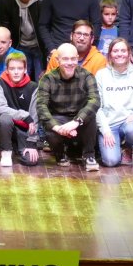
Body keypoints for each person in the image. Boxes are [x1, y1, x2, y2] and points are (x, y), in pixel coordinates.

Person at [36, 43, 101, 171]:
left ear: (77, 58)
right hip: (59, 119)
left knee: (90, 116)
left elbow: (95, 100)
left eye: (73, 59)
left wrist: (76, 122)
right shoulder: (47, 79)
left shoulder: (87, 76)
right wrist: (57, 128)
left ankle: (89, 155)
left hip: (79, 119)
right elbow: (41, 106)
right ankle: (60, 154)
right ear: (57, 60)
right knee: (49, 126)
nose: (70, 62)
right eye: (65, 59)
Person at [94, 38, 133, 167]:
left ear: (129, 53)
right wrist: (105, 131)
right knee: (111, 162)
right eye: (115, 51)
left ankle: (127, 147)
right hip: (109, 125)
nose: (119, 54)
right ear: (110, 54)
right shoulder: (101, 75)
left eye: (123, 50)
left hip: (128, 123)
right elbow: (97, 107)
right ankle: (112, 148)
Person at [0, 51, 40, 167]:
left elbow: (35, 117)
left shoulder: (33, 87)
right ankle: (6, 152)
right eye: (12, 68)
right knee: (4, 119)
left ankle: (18, 145)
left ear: (25, 69)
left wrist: (32, 142)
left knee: (31, 161)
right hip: (6, 128)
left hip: (24, 131)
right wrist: (24, 115)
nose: (16, 72)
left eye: (20, 68)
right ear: (7, 70)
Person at [0, 0, 46, 79]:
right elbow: (4, 28)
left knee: (41, 82)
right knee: (18, 81)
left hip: (40, 48)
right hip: (20, 46)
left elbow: (48, 28)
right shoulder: (7, 0)